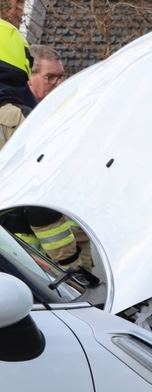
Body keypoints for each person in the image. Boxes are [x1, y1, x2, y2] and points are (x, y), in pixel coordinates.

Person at [0, 21, 81, 269]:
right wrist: (70, 264)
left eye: (61, 78)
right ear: (28, 76)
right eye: (50, 77)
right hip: (37, 259)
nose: (57, 84)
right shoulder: (25, 120)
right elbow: (39, 196)